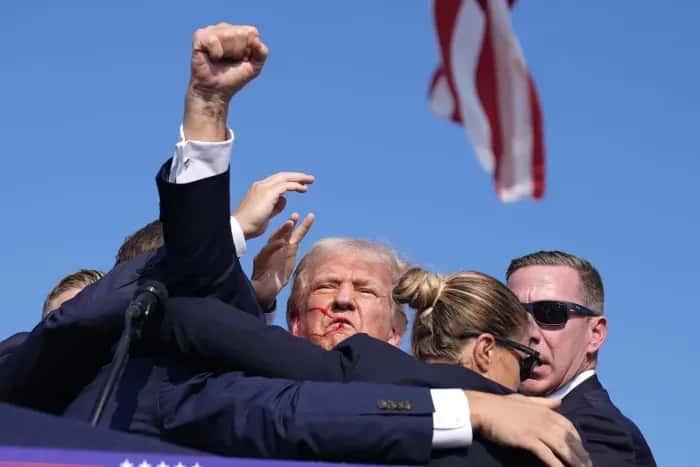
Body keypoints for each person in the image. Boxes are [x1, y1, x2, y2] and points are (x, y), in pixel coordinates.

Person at [10, 23, 589, 466]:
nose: (341, 301)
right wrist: (210, 113)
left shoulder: (502, 423)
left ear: (399, 331)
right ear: (285, 322)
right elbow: (293, 404)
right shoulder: (201, 372)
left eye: (364, 290)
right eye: (327, 287)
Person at [507, 250, 656, 466]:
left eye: (551, 313)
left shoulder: (597, 431)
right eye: (514, 314)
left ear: (595, 334)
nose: (529, 332)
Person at [393, 267, 540, 392]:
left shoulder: (387, 403)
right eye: (524, 366)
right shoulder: (512, 422)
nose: (521, 384)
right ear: (485, 350)